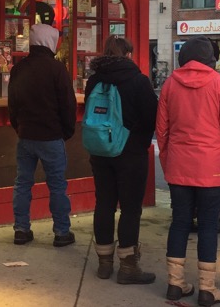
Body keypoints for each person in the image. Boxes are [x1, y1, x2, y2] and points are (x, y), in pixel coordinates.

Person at [156, 37, 220, 306]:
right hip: (211, 168)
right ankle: (207, 288)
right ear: (210, 59)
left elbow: (162, 131)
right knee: (207, 226)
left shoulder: (170, 84)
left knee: (179, 222)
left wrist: (168, 163)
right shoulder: (219, 84)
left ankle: (175, 283)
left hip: (179, 166)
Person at [84, 35, 158, 285]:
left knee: (104, 204)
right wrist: (138, 139)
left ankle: (104, 263)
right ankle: (128, 266)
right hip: (130, 152)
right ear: (128, 55)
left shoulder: (94, 80)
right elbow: (151, 117)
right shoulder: (138, 80)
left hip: (100, 151)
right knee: (130, 209)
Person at [7, 23, 77, 247]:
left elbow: (12, 105)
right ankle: (61, 232)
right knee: (57, 185)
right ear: (50, 41)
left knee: (22, 184)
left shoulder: (19, 69)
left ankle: (21, 229)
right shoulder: (57, 69)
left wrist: (19, 127)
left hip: (25, 136)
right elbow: (68, 104)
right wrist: (66, 131)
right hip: (51, 136)